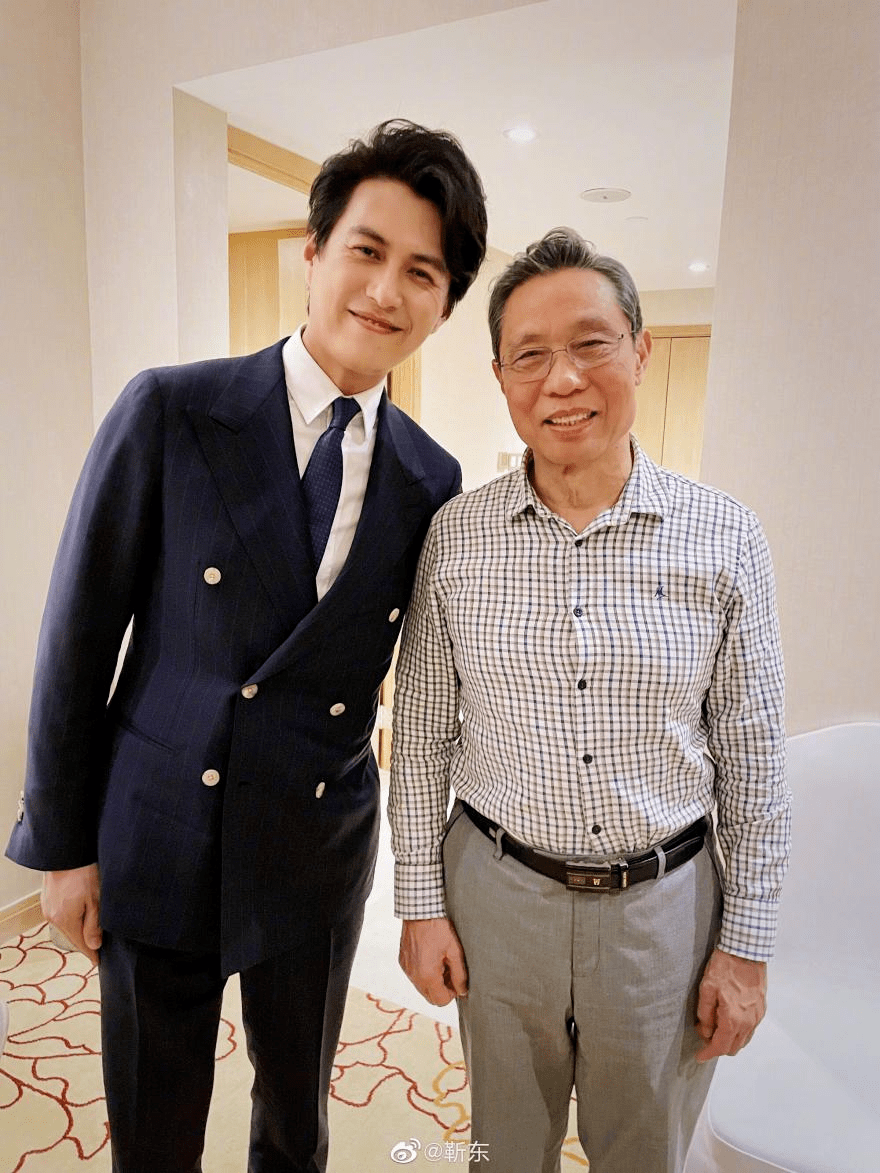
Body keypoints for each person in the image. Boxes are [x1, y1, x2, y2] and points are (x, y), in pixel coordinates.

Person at [6, 119, 487, 1173]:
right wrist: (63, 843)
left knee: (296, 1121)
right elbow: (78, 633)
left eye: (422, 272)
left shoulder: (431, 478)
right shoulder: (174, 408)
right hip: (162, 821)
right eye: (366, 250)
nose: (386, 291)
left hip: (316, 844)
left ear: (446, 304)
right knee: (154, 1114)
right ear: (313, 254)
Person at [389, 228, 790, 1173]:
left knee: (643, 1150)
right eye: (530, 355)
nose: (562, 379)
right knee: (501, 1148)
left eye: (590, 344)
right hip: (496, 895)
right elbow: (421, 732)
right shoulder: (456, 536)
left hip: (665, 911)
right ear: (500, 376)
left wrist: (746, 945)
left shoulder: (725, 536)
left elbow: (756, 757)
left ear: (640, 351)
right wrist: (419, 903)